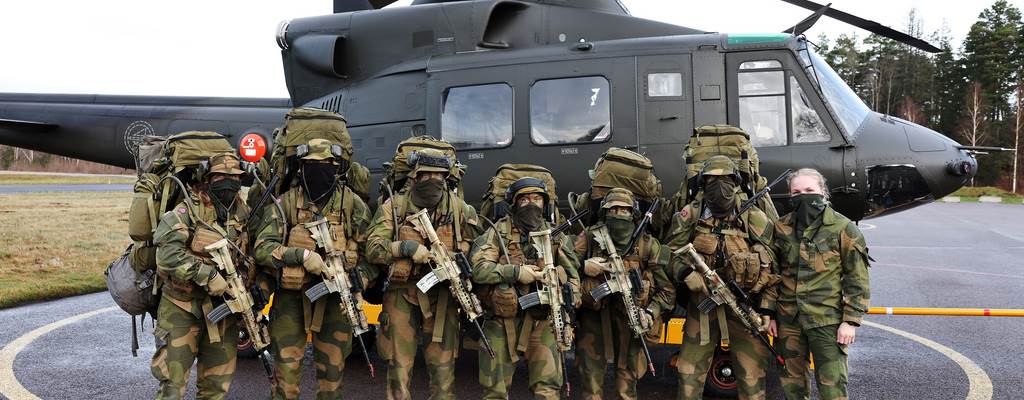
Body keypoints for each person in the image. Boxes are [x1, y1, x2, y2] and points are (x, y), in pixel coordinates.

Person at [252, 138, 373, 399]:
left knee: (331, 383)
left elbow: (371, 253)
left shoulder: (352, 205)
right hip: (290, 303)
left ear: (337, 167)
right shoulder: (285, 203)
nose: (320, 170)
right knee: (285, 382)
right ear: (301, 167)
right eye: (311, 165)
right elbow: (262, 248)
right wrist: (301, 255)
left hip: (336, 304)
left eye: (327, 164)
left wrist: (360, 277)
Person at [365, 146, 482, 400]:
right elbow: (373, 248)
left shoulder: (461, 210)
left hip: (443, 298)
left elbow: (479, 255)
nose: (433, 181)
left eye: (439, 176)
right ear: (414, 177)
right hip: (402, 294)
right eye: (426, 176)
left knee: (443, 374)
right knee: (399, 369)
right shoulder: (394, 207)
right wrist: (405, 248)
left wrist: (457, 262)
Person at [665, 155, 778, 400]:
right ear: (702, 183)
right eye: (711, 180)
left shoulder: (752, 216)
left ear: (736, 182)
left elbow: (773, 266)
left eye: (725, 180)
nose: (719, 186)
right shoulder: (691, 214)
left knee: (751, 373)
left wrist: (767, 311)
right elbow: (668, 253)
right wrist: (685, 273)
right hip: (703, 306)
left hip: (745, 305)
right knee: (689, 371)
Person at [469, 177, 581, 399]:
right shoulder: (497, 233)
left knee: (548, 389)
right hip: (502, 320)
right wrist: (517, 273)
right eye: (525, 199)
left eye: (537, 199)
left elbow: (573, 278)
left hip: (543, 321)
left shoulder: (555, 236)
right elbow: (478, 269)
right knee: (495, 391)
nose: (532, 204)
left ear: (545, 204)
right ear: (514, 204)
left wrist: (565, 294)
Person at [764, 168, 871, 400]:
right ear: (791, 196)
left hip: (826, 321)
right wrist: (770, 313)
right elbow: (772, 273)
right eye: (797, 192)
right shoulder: (781, 228)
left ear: (823, 192)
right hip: (788, 320)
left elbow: (857, 277)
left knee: (832, 386)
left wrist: (851, 321)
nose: (803, 195)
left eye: (810, 190)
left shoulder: (843, 228)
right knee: (793, 386)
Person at [151, 152, 248, 400]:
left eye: (234, 177)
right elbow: (167, 257)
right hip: (181, 308)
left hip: (223, 311)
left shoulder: (242, 213)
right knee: (172, 387)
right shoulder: (186, 211)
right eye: (220, 176)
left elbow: (252, 255)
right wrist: (207, 274)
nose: (228, 182)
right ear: (206, 178)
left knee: (216, 388)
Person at [573, 187, 673, 400]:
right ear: (604, 213)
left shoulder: (647, 244)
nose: (619, 214)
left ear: (634, 214)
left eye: (625, 210)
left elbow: (667, 291)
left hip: (631, 318)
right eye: (613, 210)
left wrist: (650, 312)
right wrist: (584, 266)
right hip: (593, 319)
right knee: (590, 382)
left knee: (627, 384)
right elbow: (564, 268)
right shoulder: (590, 237)